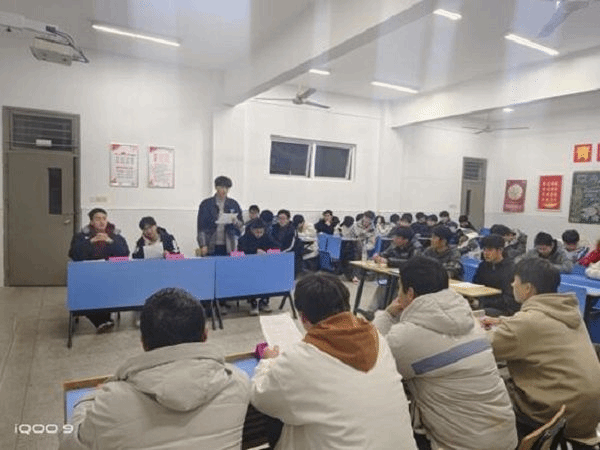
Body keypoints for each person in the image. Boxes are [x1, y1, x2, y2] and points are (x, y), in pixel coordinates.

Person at [60, 287, 250, 450]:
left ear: (143, 342)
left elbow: (69, 444)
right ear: (205, 336)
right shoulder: (238, 382)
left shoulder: (110, 403)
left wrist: (90, 399)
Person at [250, 273, 417, 450]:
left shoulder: (302, 357)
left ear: (303, 318)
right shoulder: (378, 339)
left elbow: (260, 397)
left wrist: (268, 363)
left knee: (281, 417)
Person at [372, 256, 517, 450]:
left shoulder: (406, 337)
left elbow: (372, 356)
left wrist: (387, 314)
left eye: (399, 288)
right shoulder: (470, 320)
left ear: (410, 293)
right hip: (505, 438)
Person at [485, 258, 600, 441]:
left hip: (556, 417)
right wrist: (503, 322)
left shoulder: (528, 322)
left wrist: (471, 324)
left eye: (515, 280)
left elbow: (481, 347)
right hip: (587, 414)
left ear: (527, 288)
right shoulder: (568, 313)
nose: (512, 284)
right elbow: (533, 328)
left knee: (485, 389)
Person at [68, 208, 130, 332]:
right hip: (87, 276)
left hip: (110, 275)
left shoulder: (115, 235)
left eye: (104, 219)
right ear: (91, 222)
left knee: (107, 288)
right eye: (98, 219)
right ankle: (101, 321)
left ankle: (103, 320)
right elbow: (74, 254)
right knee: (87, 291)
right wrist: (91, 242)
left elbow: (125, 253)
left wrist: (110, 241)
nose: (102, 222)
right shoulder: (81, 236)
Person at [361, 227, 420, 318]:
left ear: (405, 240)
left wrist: (389, 261)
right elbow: (385, 254)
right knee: (383, 286)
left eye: (397, 237)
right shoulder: (394, 245)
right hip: (394, 276)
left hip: (410, 280)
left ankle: (388, 314)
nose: (394, 239)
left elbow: (412, 263)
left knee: (396, 289)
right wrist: (378, 257)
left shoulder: (416, 247)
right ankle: (371, 312)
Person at [473, 234, 519, 316]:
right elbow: (475, 286)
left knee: (478, 313)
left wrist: (481, 302)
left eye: (490, 250)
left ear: (500, 250)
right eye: (484, 249)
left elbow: (509, 299)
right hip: (483, 304)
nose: (486, 253)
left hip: (503, 309)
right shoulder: (483, 266)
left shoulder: (511, 269)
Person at [196, 175, 243, 257]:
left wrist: (235, 221)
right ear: (216, 187)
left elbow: (241, 225)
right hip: (211, 243)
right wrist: (203, 245)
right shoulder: (206, 204)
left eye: (227, 188)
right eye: (222, 187)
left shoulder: (233, 204)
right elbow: (201, 227)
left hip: (229, 244)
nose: (224, 190)